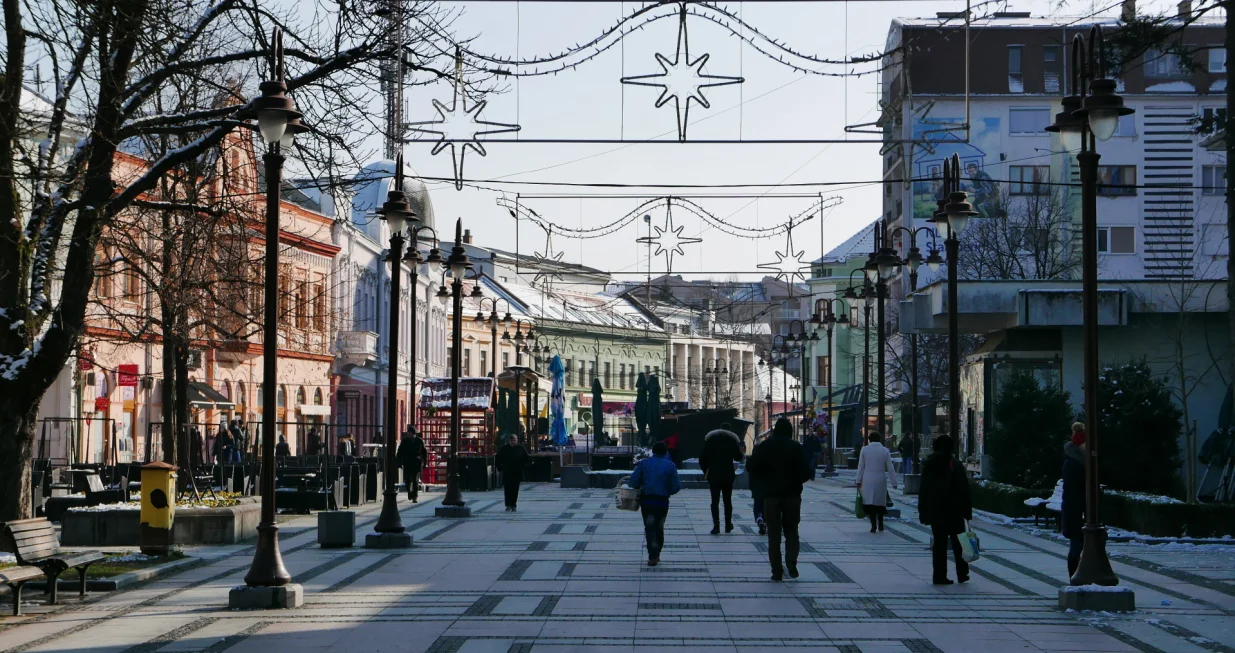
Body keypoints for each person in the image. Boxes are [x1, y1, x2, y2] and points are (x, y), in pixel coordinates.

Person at [748, 417, 810, 581]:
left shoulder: (765, 446)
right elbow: (806, 471)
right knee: (792, 530)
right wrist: (796, 480)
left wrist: (763, 481)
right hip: (792, 495)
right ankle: (791, 564)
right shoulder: (796, 447)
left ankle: (776, 570)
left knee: (773, 534)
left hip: (771, 496)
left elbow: (752, 467)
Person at [918, 434, 973, 585]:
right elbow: (964, 489)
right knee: (959, 543)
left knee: (939, 545)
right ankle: (962, 573)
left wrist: (922, 510)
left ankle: (939, 576)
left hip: (936, 509)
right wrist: (967, 511)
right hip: (954, 509)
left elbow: (924, 489)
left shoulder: (929, 464)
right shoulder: (955, 464)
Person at [627, 441, 681, 567]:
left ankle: (652, 554)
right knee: (659, 526)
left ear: (653, 451)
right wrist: (667, 491)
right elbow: (676, 486)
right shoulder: (670, 466)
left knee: (649, 526)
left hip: (647, 501)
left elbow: (634, 481)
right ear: (665, 452)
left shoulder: (644, 464)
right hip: (662, 502)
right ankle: (657, 552)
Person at [699, 423, 744, 535]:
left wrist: (707, 471)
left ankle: (716, 526)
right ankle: (728, 525)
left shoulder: (711, 440)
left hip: (714, 475)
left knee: (714, 501)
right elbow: (739, 457)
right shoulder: (732, 441)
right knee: (727, 500)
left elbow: (702, 458)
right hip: (728, 475)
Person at [856, 431, 898, 533]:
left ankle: (873, 525)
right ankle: (881, 524)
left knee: (870, 503)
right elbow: (890, 468)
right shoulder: (884, 451)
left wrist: (858, 480)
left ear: (869, 439)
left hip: (868, 478)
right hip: (880, 478)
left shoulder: (864, 450)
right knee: (880, 503)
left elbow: (861, 466)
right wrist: (894, 482)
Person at [1062, 422, 1087, 578]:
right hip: (1076, 512)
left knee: (1078, 545)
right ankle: (1074, 576)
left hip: (1076, 511)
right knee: (1076, 546)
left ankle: (1076, 575)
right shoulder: (1074, 464)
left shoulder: (1075, 462)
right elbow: (1075, 492)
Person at [495, 434, 530, 511]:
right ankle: (508, 505)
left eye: (514, 440)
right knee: (507, 488)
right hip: (507, 472)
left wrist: (524, 467)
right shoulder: (504, 448)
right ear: (509, 441)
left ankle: (513, 504)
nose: (513, 442)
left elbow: (526, 459)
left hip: (517, 472)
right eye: (511, 440)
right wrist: (499, 467)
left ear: (517, 440)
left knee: (515, 489)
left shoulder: (521, 448)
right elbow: (498, 458)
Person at [397, 429, 428, 502]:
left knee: (415, 480)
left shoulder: (419, 441)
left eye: (410, 433)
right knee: (407, 480)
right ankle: (409, 492)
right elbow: (399, 452)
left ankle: (415, 497)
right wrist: (399, 462)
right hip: (407, 462)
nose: (408, 434)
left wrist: (425, 462)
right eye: (408, 433)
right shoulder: (405, 441)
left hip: (416, 462)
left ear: (414, 433)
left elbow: (424, 452)